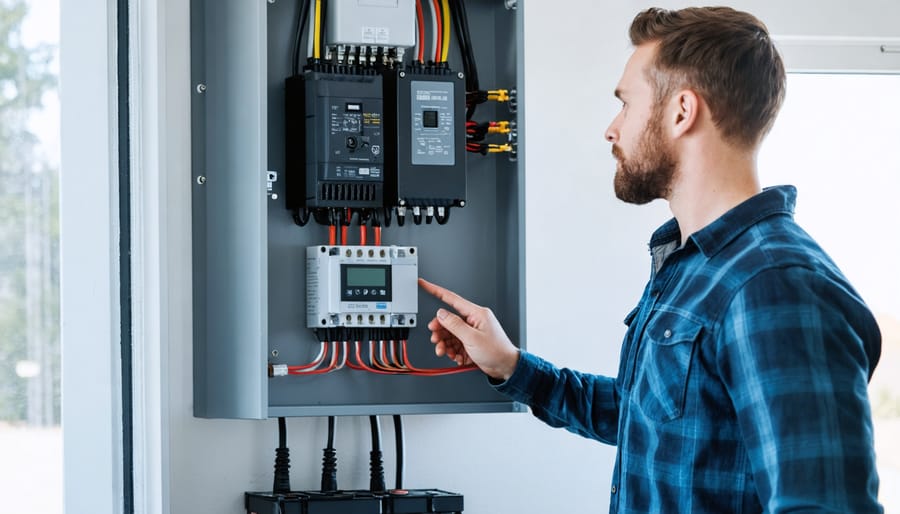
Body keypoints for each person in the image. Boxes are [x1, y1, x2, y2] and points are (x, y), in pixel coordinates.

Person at [419, 6, 883, 514]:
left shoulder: (777, 285)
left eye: (625, 104)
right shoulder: (690, 265)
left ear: (682, 111)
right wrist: (510, 365)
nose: (611, 129)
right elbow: (641, 417)